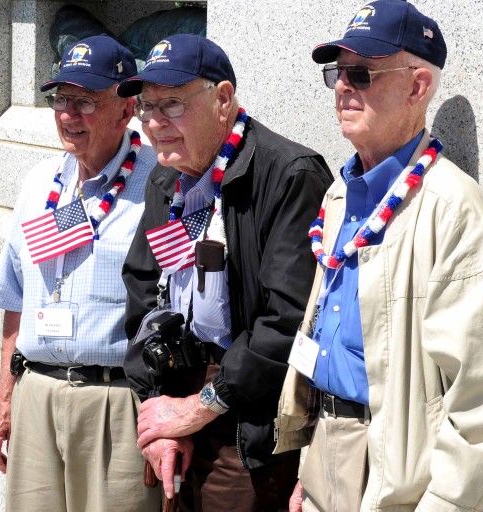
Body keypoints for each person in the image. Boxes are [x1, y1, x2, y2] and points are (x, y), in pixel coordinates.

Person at [274, 1, 483, 511]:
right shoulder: (339, 195)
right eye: (337, 73)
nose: (343, 86)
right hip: (327, 446)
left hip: (394, 477)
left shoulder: (450, 209)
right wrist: (312, 465)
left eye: (361, 72)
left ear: (418, 86)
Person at [117, 34, 333, 512]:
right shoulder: (164, 179)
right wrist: (159, 412)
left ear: (223, 99)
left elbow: (288, 323)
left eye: (171, 104)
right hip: (179, 391)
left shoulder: (289, 174)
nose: (154, 123)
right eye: (145, 106)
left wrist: (197, 409)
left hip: (248, 421)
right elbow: (141, 297)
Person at [0, 34, 160, 511]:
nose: (67, 114)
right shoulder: (40, 182)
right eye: (61, 99)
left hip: (118, 404)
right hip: (37, 395)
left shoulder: (161, 184)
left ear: (127, 110)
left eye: (85, 101)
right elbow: (16, 299)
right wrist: (4, 401)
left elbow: (183, 305)